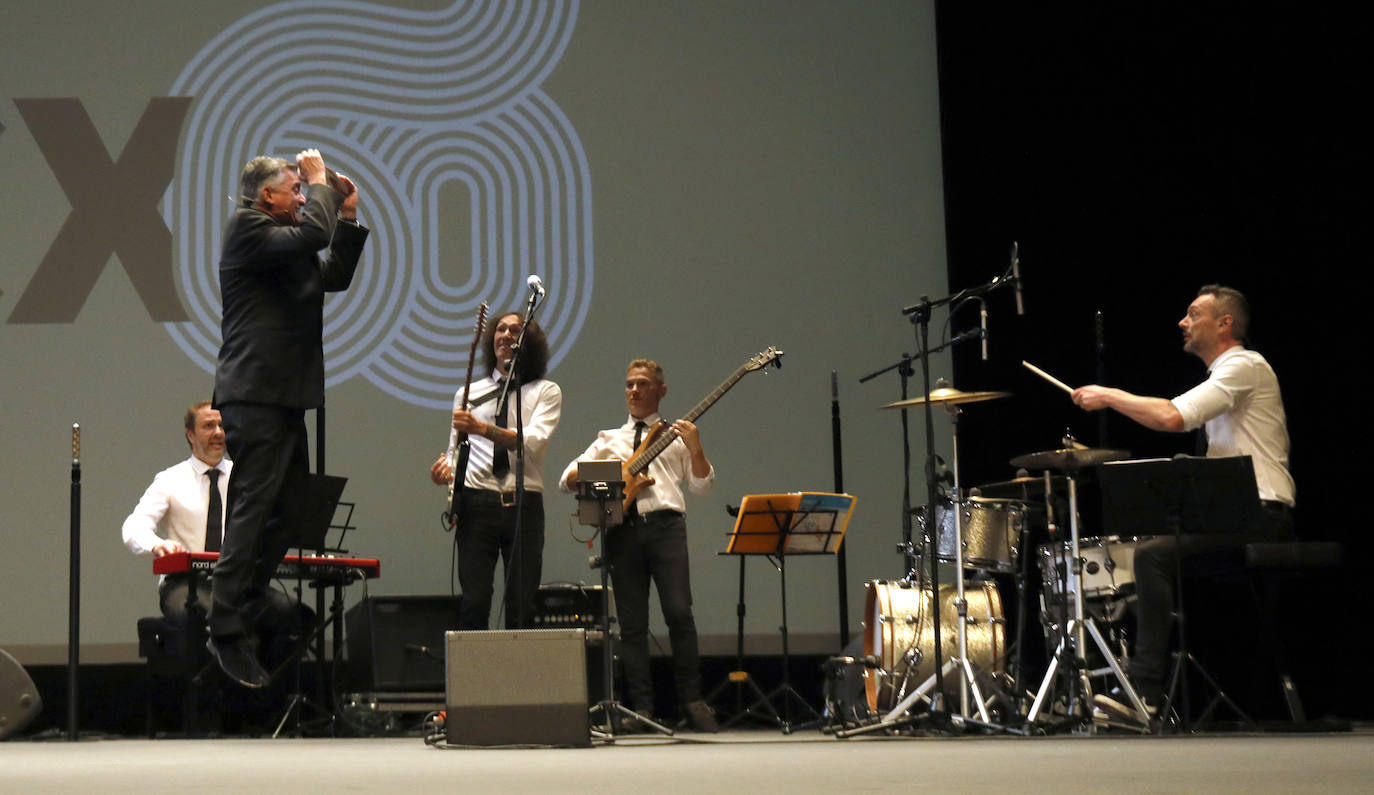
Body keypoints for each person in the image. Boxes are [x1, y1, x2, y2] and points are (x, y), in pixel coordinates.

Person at [1071, 284, 1295, 718]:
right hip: (1240, 516)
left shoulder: (1244, 367)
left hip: (1264, 516)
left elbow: (1172, 417)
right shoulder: (1226, 375)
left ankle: (1145, 693)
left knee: (1153, 557)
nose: (1182, 322)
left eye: (1193, 314)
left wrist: (1107, 395)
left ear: (1225, 323)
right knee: (1149, 555)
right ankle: (1146, 680)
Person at [207, 149, 368, 688]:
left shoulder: (286, 246)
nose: (302, 197)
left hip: (283, 397)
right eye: (295, 189)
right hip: (255, 396)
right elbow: (313, 238)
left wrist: (345, 214)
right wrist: (323, 181)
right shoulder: (248, 230)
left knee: (292, 505)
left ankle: (244, 603)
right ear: (264, 196)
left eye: (305, 190)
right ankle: (226, 626)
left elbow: (335, 273)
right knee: (254, 506)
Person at [559, 359, 719, 733]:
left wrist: (695, 449)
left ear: (661, 391)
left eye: (643, 384)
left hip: (666, 528)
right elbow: (566, 479)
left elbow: (702, 487)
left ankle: (692, 701)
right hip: (624, 531)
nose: (634, 390)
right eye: (629, 384)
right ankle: (642, 710)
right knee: (632, 625)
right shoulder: (608, 439)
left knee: (680, 614)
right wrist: (613, 473)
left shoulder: (675, 437)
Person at [122, 401, 308, 665]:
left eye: (223, 425)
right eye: (209, 426)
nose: (219, 432)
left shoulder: (247, 478)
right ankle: (212, 698)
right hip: (185, 583)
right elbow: (134, 526)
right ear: (190, 434)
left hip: (239, 583)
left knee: (292, 613)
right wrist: (156, 545)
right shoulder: (170, 479)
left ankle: (262, 694)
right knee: (209, 614)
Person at [429, 312, 562, 630]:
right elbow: (455, 452)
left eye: (515, 330)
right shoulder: (467, 394)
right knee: (474, 602)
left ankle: (519, 678)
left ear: (529, 342)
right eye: (500, 329)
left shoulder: (545, 391)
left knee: (521, 604)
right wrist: (444, 470)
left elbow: (532, 443)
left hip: (523, 503)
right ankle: (476, 678)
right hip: (476, 504)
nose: (505, 334)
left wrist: (482, 428)